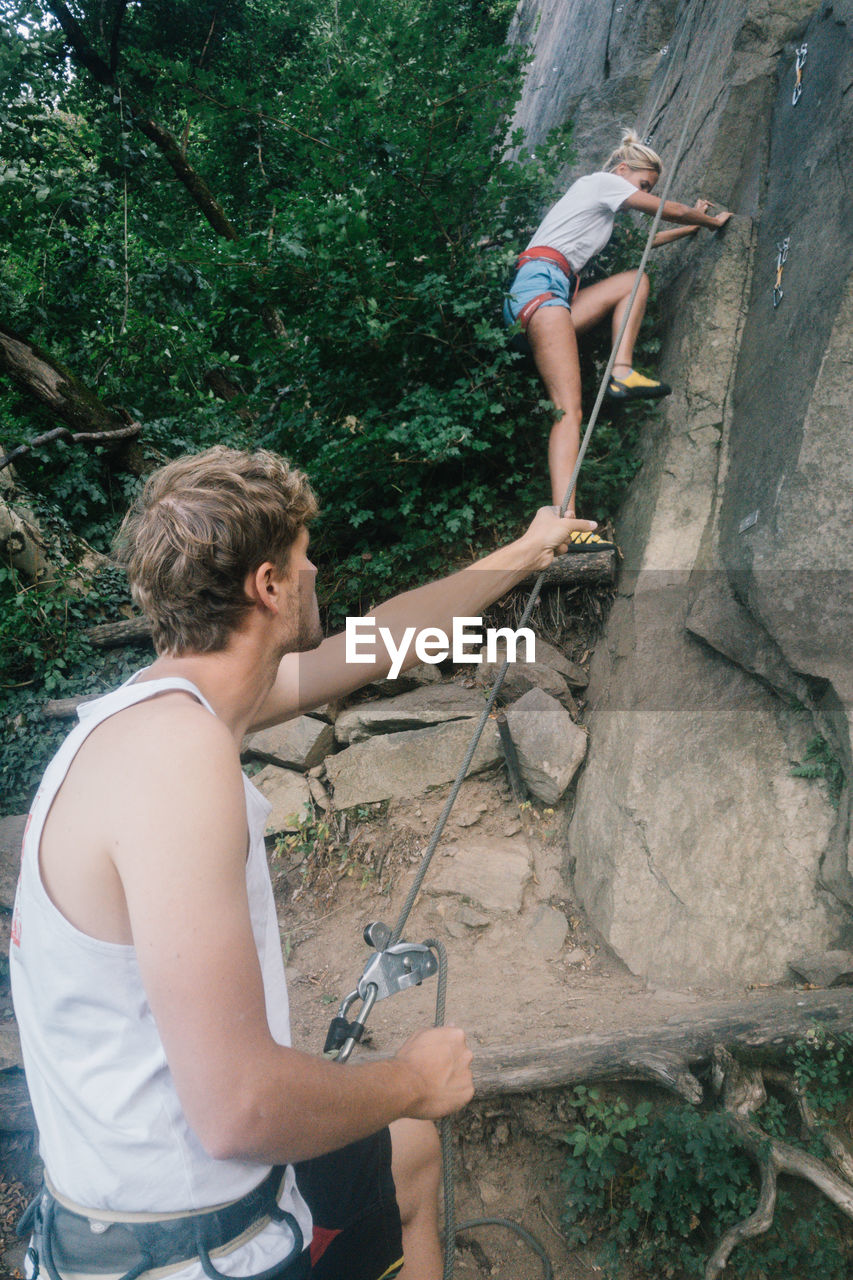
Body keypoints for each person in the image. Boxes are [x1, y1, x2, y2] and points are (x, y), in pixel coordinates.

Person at [10, 447, 598, 1280]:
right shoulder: (176, 762)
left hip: (145, 1211)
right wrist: (408, 1079)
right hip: (187, 1250)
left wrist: (524, 552)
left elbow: (376, 642)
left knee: (408, 1154)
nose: (316, 566)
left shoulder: (157, 709)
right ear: (269, 585)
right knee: (410, 1117)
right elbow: (240, 1108)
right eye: (301, 553)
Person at [504, 131, 733, 515]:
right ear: (622, 169)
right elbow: (666, 209)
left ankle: (621, 372)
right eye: (643, 184)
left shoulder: (600, 214)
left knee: (634, 281)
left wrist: (691, 227)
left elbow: (643, 248)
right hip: (539, 288)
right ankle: (567, 521)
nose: (644, 193)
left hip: (551, 295)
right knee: (569, 411)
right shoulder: (600, 182)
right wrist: (710, 221)